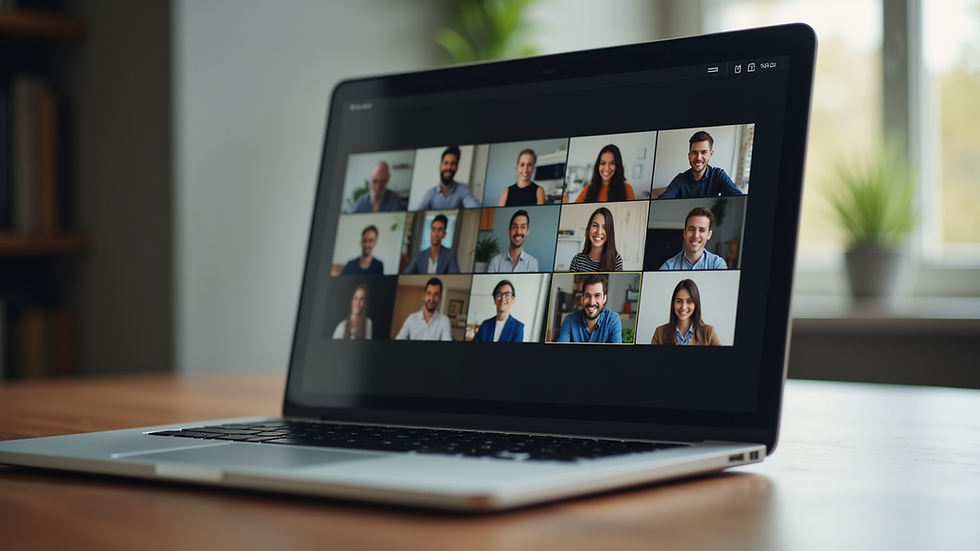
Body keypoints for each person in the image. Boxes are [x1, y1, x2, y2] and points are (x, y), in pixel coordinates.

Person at [658, 131, 743, 199]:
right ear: (689, 155)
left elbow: (738, 198)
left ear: (711, 154)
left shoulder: (718, 175)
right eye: (694, 152)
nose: (698, 158)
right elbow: (662, 200)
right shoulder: (680, 179)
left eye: (704, 152)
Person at [650, 279, 721, 345]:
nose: (683, 307)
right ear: (673, 303)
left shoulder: (708, 333)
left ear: (696, 304)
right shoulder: (659, 332)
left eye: (689, 301)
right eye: (679, 301)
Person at [556, 274, 622, 343]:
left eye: (597, 295)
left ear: (604, 299)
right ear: (582, 298)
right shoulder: (570, 320)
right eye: (587, 296)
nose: (592, 302)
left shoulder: (612, 320)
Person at [660, 206, 728, 270]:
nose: (696, 236)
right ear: (685, 233)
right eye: (691, 229)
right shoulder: (669, 267)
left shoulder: (717, 265)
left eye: (701, 230)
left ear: (709, 235)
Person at [415, 146, 482, 210]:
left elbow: (475, 207)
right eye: (446, 163)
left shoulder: (463, 189)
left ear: (456, 168)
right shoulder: (430, 193)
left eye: (453, 164)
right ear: (440, 167)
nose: (448, 167)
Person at [569, 207, 624, 272]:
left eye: (604, 227)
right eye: (595, 225)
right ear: (589, 228)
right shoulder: (578, 260)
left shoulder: (616, 261)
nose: (599, 232)